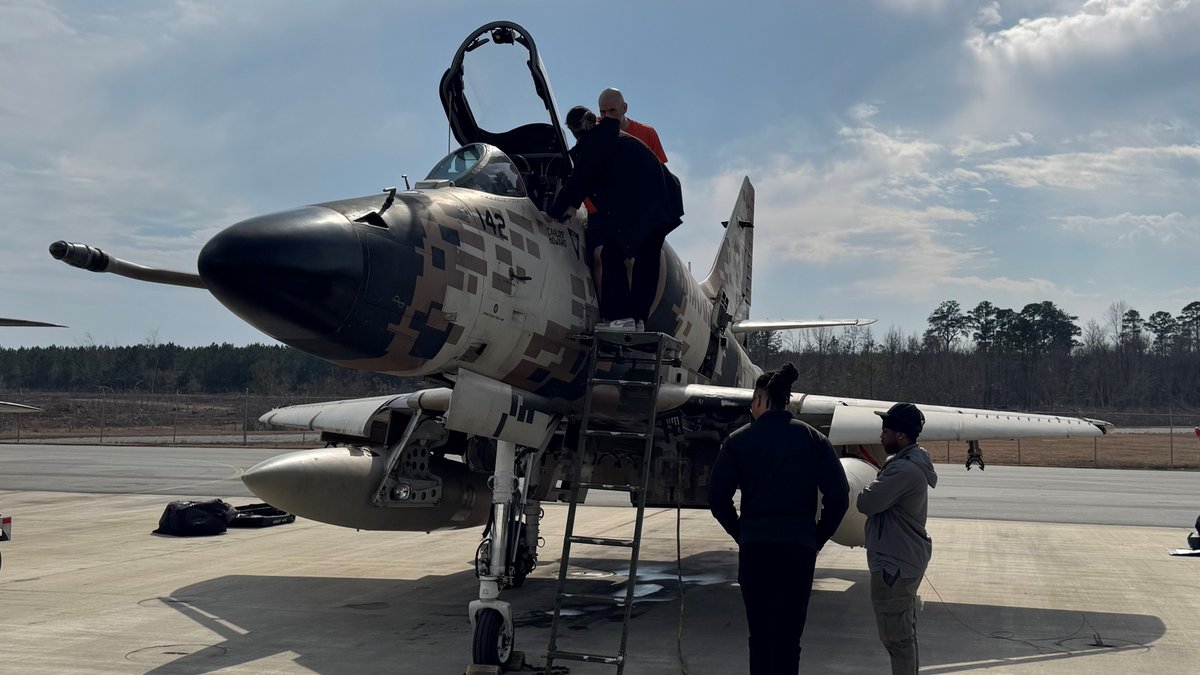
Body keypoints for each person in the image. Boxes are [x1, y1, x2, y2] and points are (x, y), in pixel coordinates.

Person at [708, 363, 849, 674]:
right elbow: (839, 497)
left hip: (756, 548)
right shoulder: (813, 440)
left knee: (759, 637)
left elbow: (717, 498)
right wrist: (816, 537)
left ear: (760, 399)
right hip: (798, 550)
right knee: (788, 639)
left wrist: (741, 531)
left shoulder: (738, 441)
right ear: (787, 401)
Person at [548, 106, 682, 328]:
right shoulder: (611, 136)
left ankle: (620, 318)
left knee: (611, 254)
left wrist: (553, 213)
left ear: (574, 131)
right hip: (664, 204)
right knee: (646, 260)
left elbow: (580, 178)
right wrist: (574, 202)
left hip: (644, 208)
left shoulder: (596, 144)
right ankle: (638, 320)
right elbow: (590, 175)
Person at [856, 402, 939, 675]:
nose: (881, 436)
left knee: (896, 639)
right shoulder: (908, 463)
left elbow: (867, 502)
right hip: (902, 560)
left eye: (886, 431)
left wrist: (867, 488)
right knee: (902, 635)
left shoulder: (903, 470)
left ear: (902, 436)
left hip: (894, 565)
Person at [597, 87, 667, 163]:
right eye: (603, 112)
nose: (607, 116)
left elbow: (661, 172)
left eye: (612, 110)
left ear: (624, 108)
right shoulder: (592, 130)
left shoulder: (647, 134)